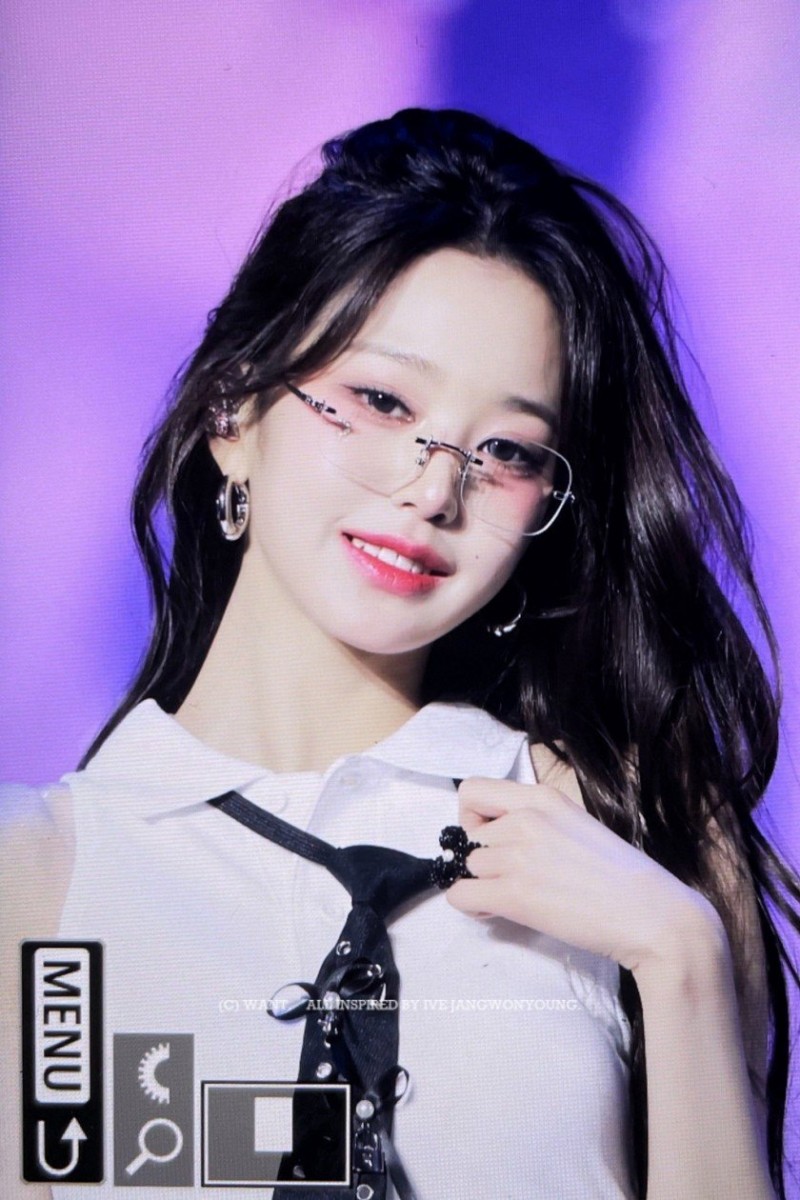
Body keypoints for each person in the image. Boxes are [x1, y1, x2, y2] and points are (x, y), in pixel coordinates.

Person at [1, 107, 796, 1199]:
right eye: (380, 400)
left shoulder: (624, 826)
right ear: (233, 408)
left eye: (507, 450)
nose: (433, 488)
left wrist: (682, 958)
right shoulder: (45, 875)